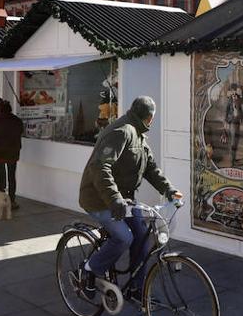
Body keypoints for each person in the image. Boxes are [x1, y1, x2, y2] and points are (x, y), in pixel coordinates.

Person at [77, 96, 183, 293]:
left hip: (123, 201)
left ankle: (137, 289)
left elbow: (151, 169)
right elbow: (100, 167)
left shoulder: (139, 134)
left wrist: (169, 190)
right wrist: (114, 199)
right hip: (99, 200)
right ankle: (90, 269)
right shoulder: (121, 131)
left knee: (142, 236)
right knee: (124, 238)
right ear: (150, 117)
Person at [0, 99, 25, 206]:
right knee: (11, 177)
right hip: (13, 152)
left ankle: (0, 200)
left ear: (0, 110)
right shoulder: (17, 120)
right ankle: (12, 200)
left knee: (0, 177)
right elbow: (20, 131)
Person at [224, 83, 243, 165]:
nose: (234, 95)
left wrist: (241, 119)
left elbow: (242, 111)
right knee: (233, 141)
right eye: (233, 94)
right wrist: (226, 122)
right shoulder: (229, 102)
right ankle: (232, 161)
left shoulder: (238, 102)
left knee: (236, 141)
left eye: (235, 94)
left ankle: (234, 159)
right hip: (232, 123)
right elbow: (226, 113)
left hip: (237, 123)